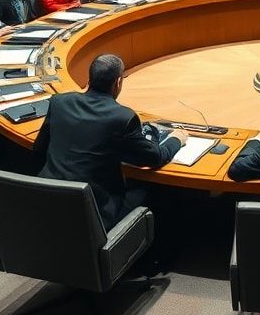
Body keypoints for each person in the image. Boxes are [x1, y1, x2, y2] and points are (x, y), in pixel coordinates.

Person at [34, 54, 188, 231]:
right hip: (94, 212)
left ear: (89, 77)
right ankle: (156, 256)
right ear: (118, 82)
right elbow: (154, 158)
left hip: (47, 200)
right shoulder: (123, 118)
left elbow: (39, 149)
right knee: (155, 189)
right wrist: (177, 139)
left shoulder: (59, 102)